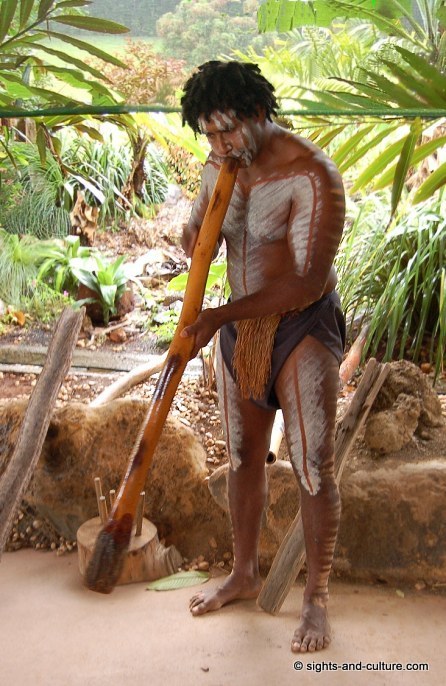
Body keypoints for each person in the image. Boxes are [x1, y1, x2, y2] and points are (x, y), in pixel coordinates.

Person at [179, 60, 346, 653]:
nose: (220, 145)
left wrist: (218, 318)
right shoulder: (219, 166)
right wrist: (199, 224)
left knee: (310, 460)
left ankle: (316, 599)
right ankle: (244, 573)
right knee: (245, 455)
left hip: (300, 326)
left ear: (258, 114)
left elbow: (305, 282)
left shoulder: (311, 175)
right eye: (209, 135)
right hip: (240, 333)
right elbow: (195, 237)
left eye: (227, 131)